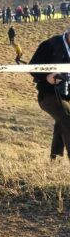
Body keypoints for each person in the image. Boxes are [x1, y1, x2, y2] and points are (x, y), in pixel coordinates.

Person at [29, 30, 70, 160]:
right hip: (48, 94)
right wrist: (46, 76)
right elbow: (32, 67)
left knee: (62, 122)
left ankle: (55, 159)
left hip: (67, 94)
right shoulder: (50, 45)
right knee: (67, 119)